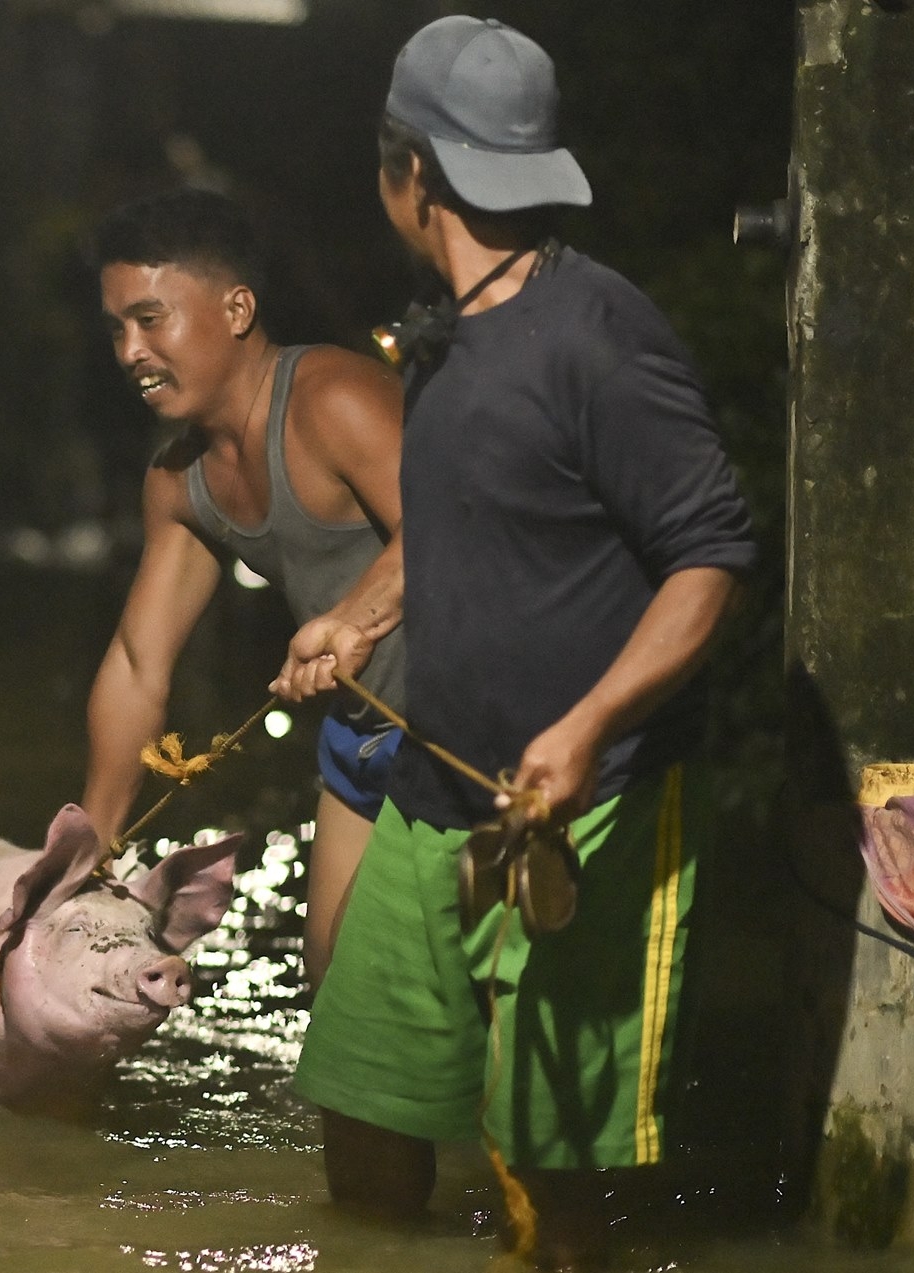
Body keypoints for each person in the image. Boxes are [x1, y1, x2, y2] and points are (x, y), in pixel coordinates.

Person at [283, 17, 757, 1267]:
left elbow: (711, 556)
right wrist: (356, 617)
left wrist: (586, 725)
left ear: (412, 176)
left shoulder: (598, 336)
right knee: (364, 1119)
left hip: (585, 805)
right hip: (433, 788)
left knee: (559, 1187)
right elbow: (455, 519)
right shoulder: (453, 330)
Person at [79, 188, 406, 987]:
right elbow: (135, 662)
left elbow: (454, 530)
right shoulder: (178, 479)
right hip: (357, 741)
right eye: (117, 329)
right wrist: (90, 848)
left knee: (402, 1017)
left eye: (152, 320)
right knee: (333, 1012)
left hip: (462, 734)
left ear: (237, 308)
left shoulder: (336, 399)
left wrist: (349, 622)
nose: (130, 352)